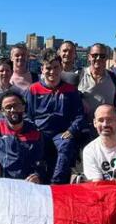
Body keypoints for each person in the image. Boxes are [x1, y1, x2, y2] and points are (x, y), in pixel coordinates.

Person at [26, 51, 86, 184]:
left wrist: (71, 130)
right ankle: (36, 180)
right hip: (39, 132)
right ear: (42, 69)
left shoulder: (70, 90)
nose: (52, 71)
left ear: (61, 68)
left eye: (55, 67)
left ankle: (57, 183)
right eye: (48, 68)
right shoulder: (33, 90)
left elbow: (79, 115)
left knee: (66, 144)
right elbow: (27, 116)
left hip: (61, 133)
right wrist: (33, 130)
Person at [0, 90, 47, 183]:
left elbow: (41, 160)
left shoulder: (34, 130)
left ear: (23, 107)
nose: (13, 110)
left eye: (16, 105)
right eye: (8, 107)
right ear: (2, 111)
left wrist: (37, 175)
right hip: (1, 179)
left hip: (26, 182)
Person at [77, 43, 116, 118]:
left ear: (106, 58)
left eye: (102, 56)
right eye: (95, 55)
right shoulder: (79, 75)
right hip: (84, 125)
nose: (98, 58)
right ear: (89, 57)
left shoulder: (113, 77)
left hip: (106, 125)